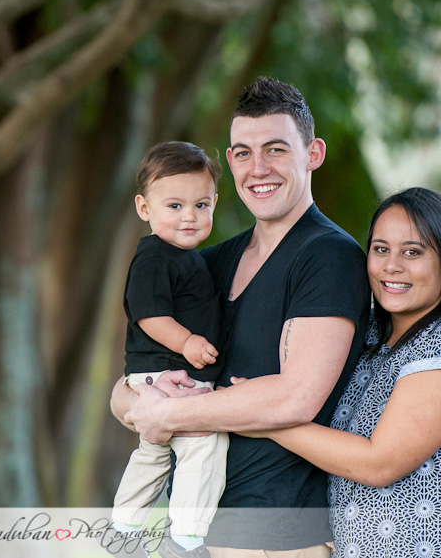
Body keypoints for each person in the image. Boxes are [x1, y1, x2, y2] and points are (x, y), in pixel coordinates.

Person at [112, 76, 371, 558]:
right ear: (230, 161)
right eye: (244, 153)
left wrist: (165, 411)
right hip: (192, 529)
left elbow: (296, 397)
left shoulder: (329, 257)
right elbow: (126, 391)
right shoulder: (208, 261)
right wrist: (140, 402)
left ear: (313, 153)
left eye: (275, 149)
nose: (258, 169)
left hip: (274, 535)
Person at [237, 187, 441, 558]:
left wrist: (264, 418)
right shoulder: (367, 333)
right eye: (380, 249)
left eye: (413, 251)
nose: (392, 265)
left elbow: (380, 463)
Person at [111, 141, 228, 558]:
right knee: (204, 442)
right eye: (174, 206)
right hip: (161, 371)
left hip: (163, 373)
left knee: (155, 450)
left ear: (215, 202)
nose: (189, 217)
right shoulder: (154, 257)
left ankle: (125, 523)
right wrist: (188, 342)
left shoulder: (191, 258)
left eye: (200, 205)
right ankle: (188, 534)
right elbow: (149, 315)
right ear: (145, 208)